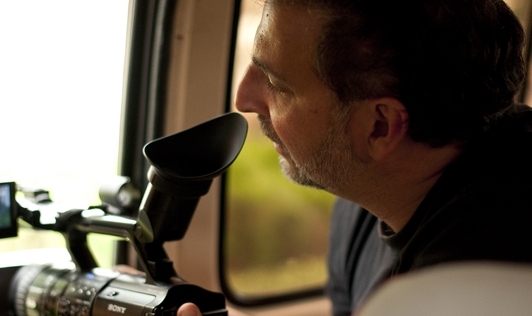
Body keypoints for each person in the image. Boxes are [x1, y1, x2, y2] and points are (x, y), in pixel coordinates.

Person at [178, 0, 532, 314]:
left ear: (379, 126)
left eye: (278, 84)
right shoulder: (364, 200)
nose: (243, 98)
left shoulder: (481, 284)